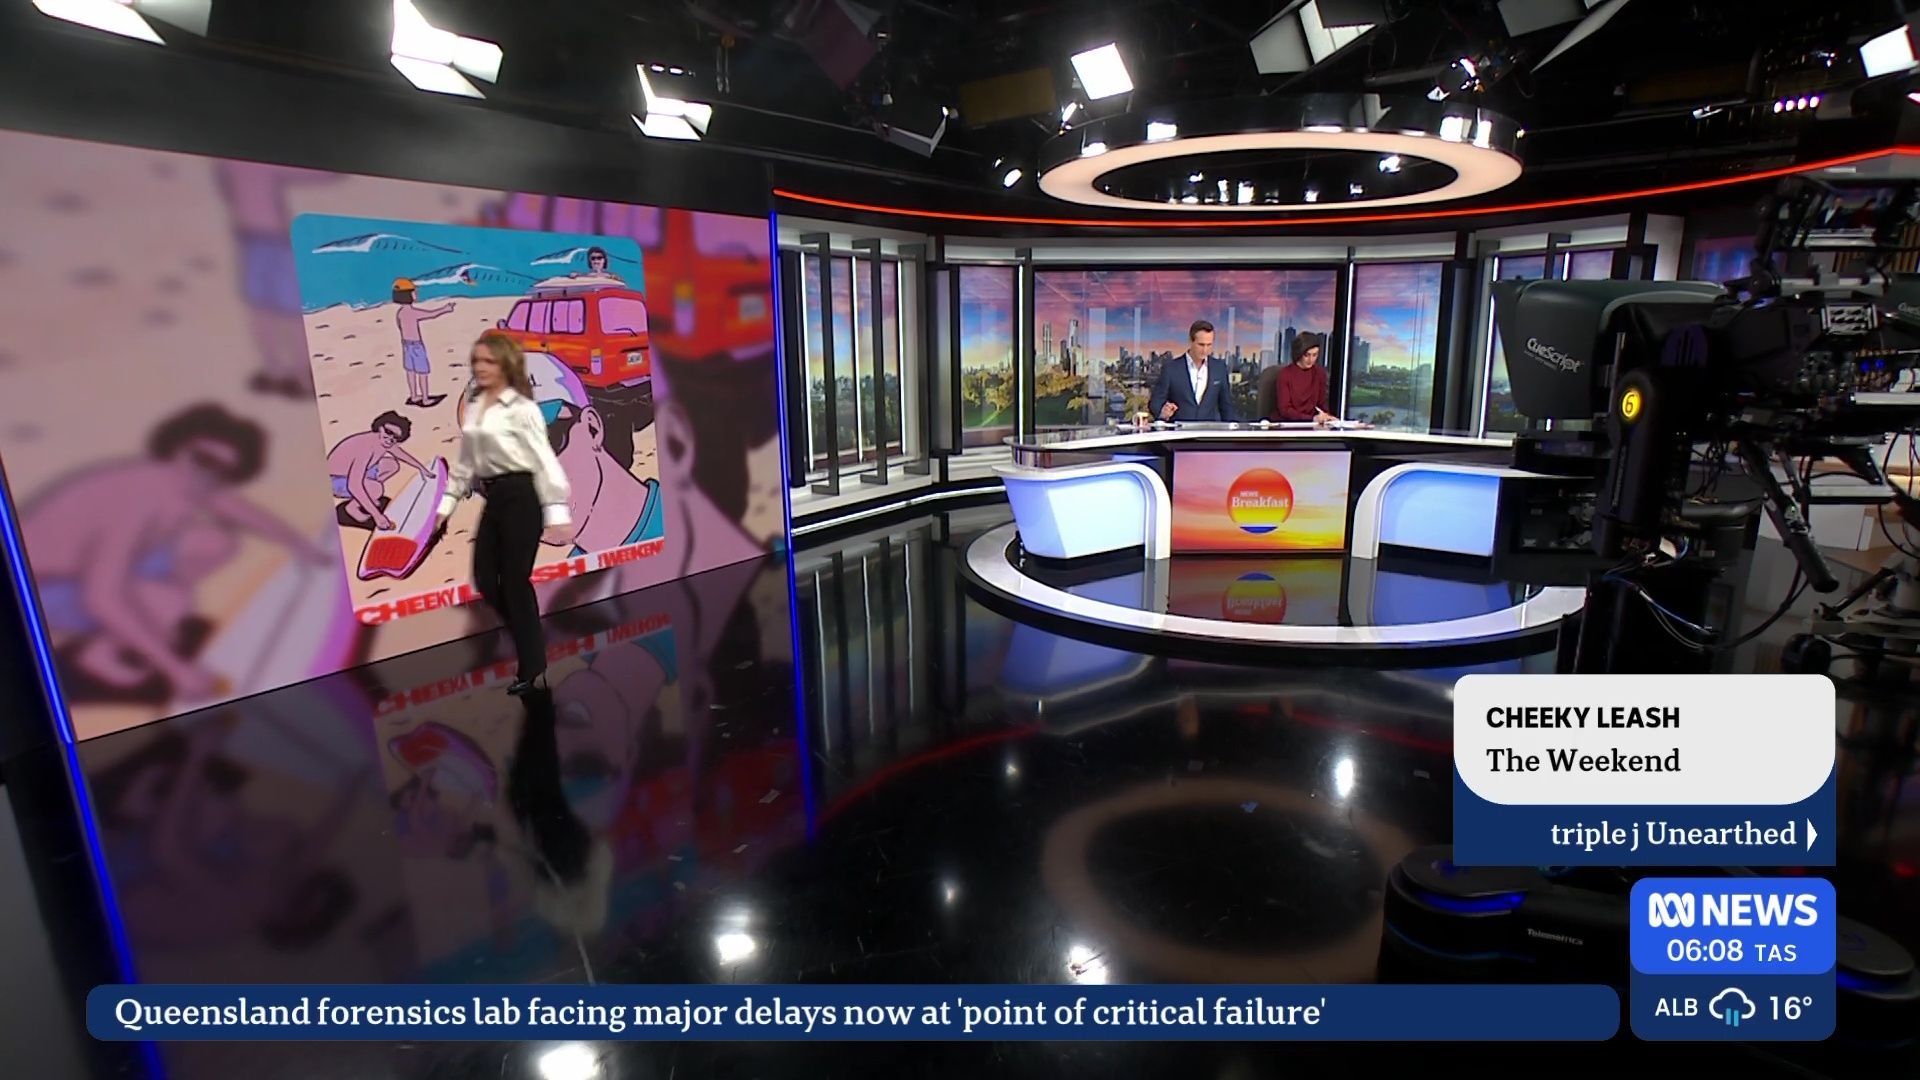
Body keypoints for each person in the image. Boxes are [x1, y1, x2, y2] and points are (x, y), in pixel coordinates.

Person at [437, 332, 573, 695]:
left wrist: (557, 513)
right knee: (485, 579)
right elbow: (466, 464)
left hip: (522, 497)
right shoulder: (476, 407)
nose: (480, 367)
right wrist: (446, 506)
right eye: (477, 360)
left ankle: (532, 663)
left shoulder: (523, 409)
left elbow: (545, 461)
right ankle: (530, 638)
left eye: (488, 360)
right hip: (495, 498)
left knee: (514, 582)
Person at [326, 410, 434, 531]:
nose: (390, 438)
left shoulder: (383, 441)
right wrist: (377, 516)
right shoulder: (366, 447)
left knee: (392, 465)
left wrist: (421, 468)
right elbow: (354, 485)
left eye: (396, 437)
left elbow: (400, 454)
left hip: (354, 473)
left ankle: (367, 496)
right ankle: (352, 508)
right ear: (380, 427)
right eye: (388, 432)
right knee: (377, 488)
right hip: (335, 481)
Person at [1148, 320, 1233, 423]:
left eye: (1209, 345)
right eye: (1201, 345)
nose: (1205, 350)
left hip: (1208, 431)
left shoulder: (1219, 368)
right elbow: (1155, 403)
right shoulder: (1171, 369)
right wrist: (1163, 412)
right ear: (1190, 341)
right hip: (1179, 431)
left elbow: (1226, 407)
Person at [392, 278, 454, 408]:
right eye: (414, 292)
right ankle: (425, 399)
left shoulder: (400, 313)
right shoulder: (412, 312)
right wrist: (445, 309)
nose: (416, 294)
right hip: (416, 346)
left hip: (406, 345)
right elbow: (432, 314)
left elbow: (399, 326)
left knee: (410, 371)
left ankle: (414, 396)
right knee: (423, 372)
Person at [1276, 332, 1336, 427]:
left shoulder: (1320, 373)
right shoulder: (1285, 374)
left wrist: (1327, 417)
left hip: (1313, 425)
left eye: (1315, 355)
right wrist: (1311, 419)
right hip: (1288, 426)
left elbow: (1321, 405)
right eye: (1307, 355)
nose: (1311, 360)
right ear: (1299, 353)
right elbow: (1285, 410)